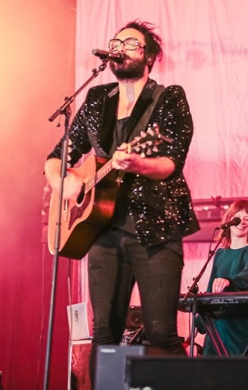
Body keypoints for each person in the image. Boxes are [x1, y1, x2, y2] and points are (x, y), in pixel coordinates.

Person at [44, 20, 200, 369]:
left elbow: (170, 164)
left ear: (150, 58)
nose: (121, 47)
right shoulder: (98, 99)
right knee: (104, 336)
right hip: (102, 232)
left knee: (161, 335)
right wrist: (64, 183)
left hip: (155, 230)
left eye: (131, 43)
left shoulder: (168, 97)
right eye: (117, 41)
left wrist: (137, 164)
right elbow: (56, 158)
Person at [201, 199, 248, 356]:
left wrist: (230, 281)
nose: (242, 222)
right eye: (238, 217)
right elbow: (211, 288)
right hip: (217, 325)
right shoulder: (220, 254)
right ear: (229, 220)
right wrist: (200, 320)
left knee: (241, 373)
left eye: (247, 219)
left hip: (240, 325)